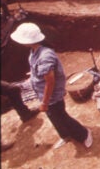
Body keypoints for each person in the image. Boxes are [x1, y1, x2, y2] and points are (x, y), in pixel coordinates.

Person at [10, 22, 93, 150]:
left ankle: (83, 134)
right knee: (52, 116)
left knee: (61, 116)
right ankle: (65, 135)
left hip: (51, 95)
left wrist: (44, 102)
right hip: (41, 92)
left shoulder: (45, 56)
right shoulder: (33, 51)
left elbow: (50, 81)